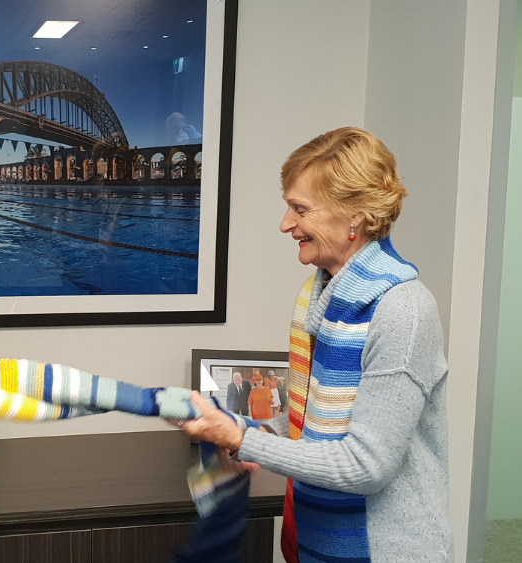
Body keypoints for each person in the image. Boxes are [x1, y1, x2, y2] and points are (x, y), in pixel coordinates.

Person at [178, 127, 451, 561]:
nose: (285, 224)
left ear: (353, 217)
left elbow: (367, 467)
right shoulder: (318, 294)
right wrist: (249, 433)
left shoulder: (404, 310)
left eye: (299, 209)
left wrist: (246, 440)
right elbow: (312, 418)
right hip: (314, 539)